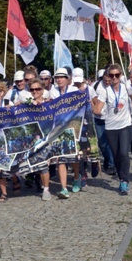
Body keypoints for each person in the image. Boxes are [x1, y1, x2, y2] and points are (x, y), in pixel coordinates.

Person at [94, 64, 132, 195]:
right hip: (110, 127)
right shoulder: (105, 91)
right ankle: (120, 177)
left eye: (116, 75)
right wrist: (97, 110)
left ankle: (125, 181)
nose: (114, 78)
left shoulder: (126, 87)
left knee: (124, 153)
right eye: (111, 75)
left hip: (125, 125)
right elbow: (97, 109)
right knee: (117, 155)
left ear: (120, 76)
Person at [50, 68, 81, 198]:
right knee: (60, 160)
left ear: (68, 79)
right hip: (58, 129)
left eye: (62, 77)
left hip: (72, 128)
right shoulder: (53, 92)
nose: (59, 79)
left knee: (72, 158)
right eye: (57, 77)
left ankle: (76, 175)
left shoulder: (74, 90)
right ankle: (63, 188)